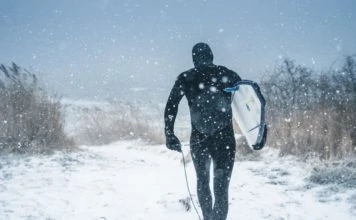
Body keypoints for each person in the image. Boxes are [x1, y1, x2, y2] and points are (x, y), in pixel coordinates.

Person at [164, 42, 241, 220]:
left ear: (193, 59)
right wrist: (258, 131)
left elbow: (171, 106)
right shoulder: (228, 74)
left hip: (200, 138)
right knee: (221, 185)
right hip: (225, 138)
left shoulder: (186, 77)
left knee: (203, 181)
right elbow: (249, 101)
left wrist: (169, 133)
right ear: (212, 56)